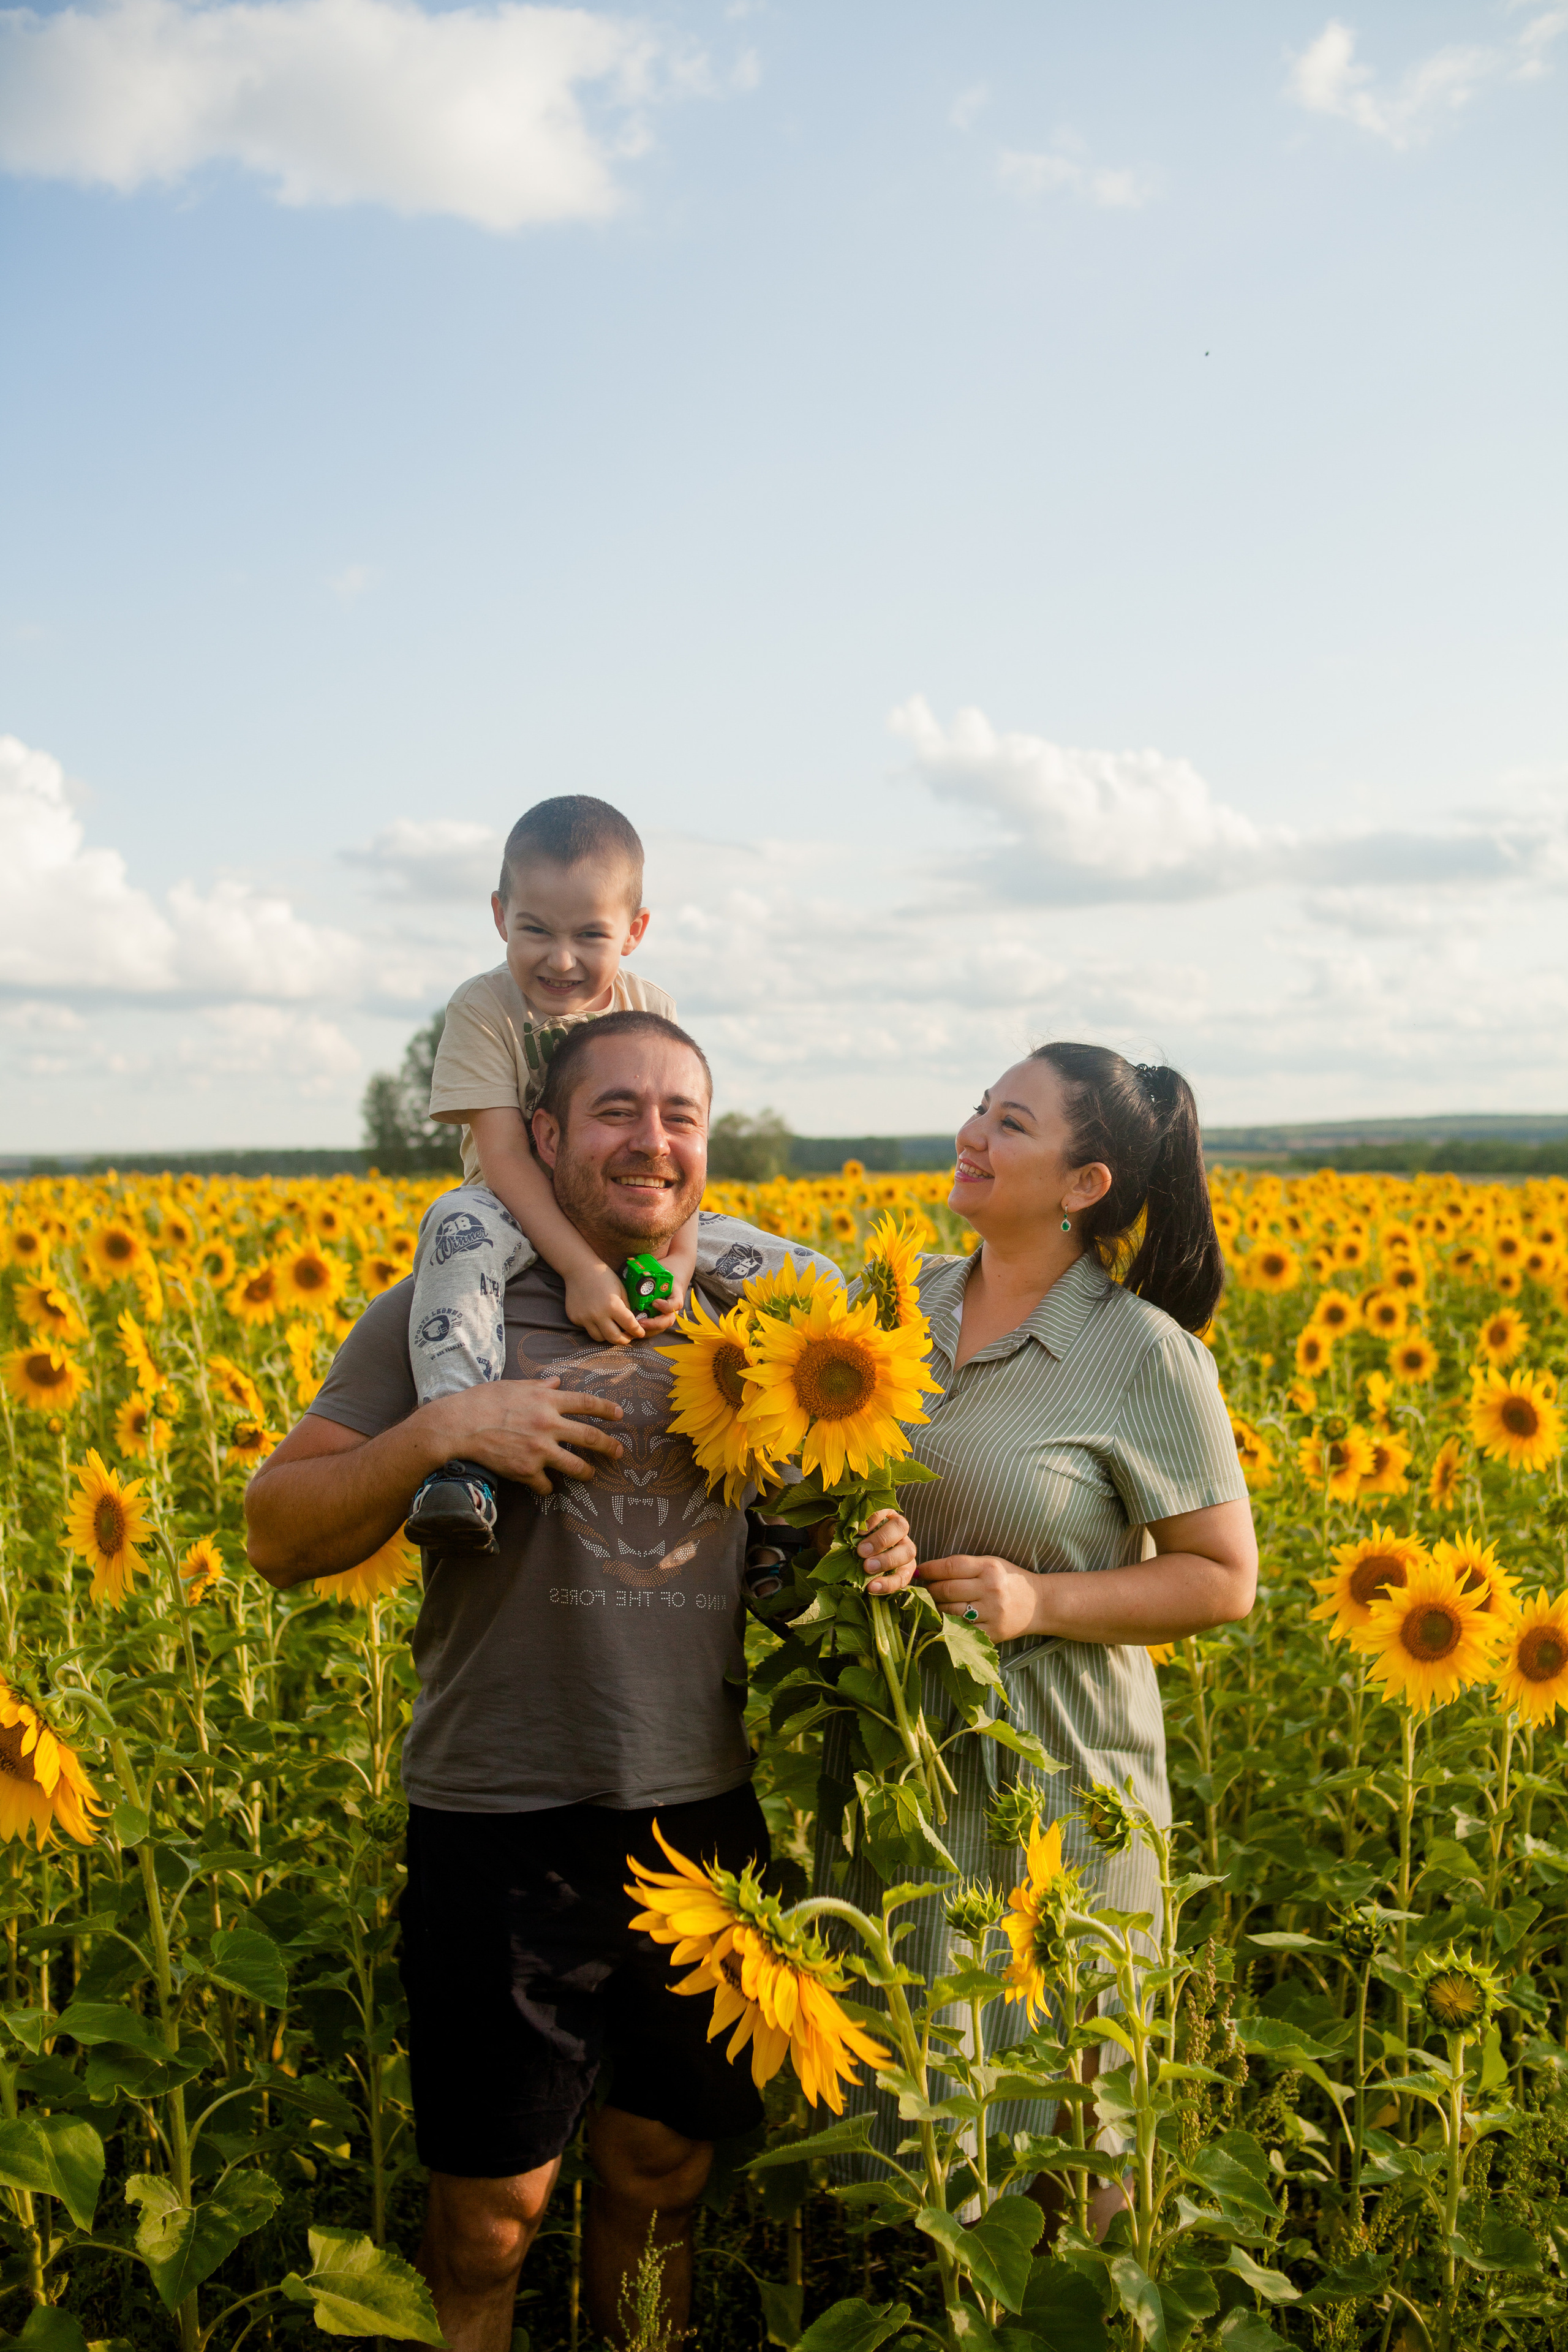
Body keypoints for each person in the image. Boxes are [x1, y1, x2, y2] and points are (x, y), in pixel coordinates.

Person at [244, 1011, 915, 2352]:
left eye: (678, 1115)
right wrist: (442, 1431)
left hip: (695, 1811)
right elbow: (278, 1531)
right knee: (492, 2210)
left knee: (662, 2173)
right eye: (614, 1110)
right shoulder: (452, 1315)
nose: (650, 1141)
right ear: (541, 1136)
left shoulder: (765, 1316)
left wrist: (879, 1542)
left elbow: (819, 1526)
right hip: (499, 1812)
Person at [819, 1042, 1258, 2233]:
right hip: (902, 1774)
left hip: (1057, 1786)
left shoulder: (1141, 1353)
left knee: (1062, 2145)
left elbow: (1222, 1581)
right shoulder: (890, 1304)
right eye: (977, 1107)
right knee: (912, 2139)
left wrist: (1037, 1601)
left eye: (1008, 1123)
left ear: (1082, 1184)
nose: (971, 1134)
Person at [405, 794, 696, 1555]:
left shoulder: (650, 1007)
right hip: (509, 1211)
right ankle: (462, 1458)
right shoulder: (484, 1007)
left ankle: (786, 1500)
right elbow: (502, 1158)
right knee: (452, 1226)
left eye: (589, 935)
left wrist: (681, 1260)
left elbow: (679, 1157)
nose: (560, 959)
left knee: (784, 1268)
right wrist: (582, 1269)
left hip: (625, 1208)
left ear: (634, 932)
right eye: (535, 930)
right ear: (500, 916)